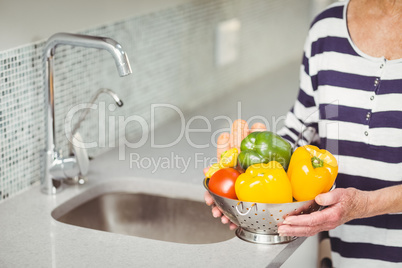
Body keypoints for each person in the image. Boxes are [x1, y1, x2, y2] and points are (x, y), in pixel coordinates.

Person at [205, 0, 402, 266]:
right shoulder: (327, 29)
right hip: (347, 256)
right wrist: (247, 171)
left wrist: (365, 205)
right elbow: (302, 129)